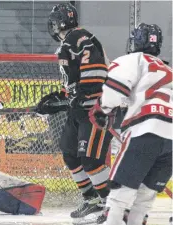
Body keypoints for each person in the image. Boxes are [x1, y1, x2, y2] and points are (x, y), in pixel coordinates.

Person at [88, 23, 172, 225]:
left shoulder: (131, 60)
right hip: (171, 139)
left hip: (144, 130)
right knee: (145, 197)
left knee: (119, 193)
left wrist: (102, 108)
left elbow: (115, 90)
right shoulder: (168, 68)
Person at [36, 3, 112, 221]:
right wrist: (58, 98)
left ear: (61, 22)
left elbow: (96, 73)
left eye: (54, 22)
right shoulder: (67, 44)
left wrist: (83, 94)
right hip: (80, 110)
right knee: (70, 153)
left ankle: (111, 205)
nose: (51, 26)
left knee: (91, 160)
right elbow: (73, 83)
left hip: (94, 110)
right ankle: (92, 200)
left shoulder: (79, 38)